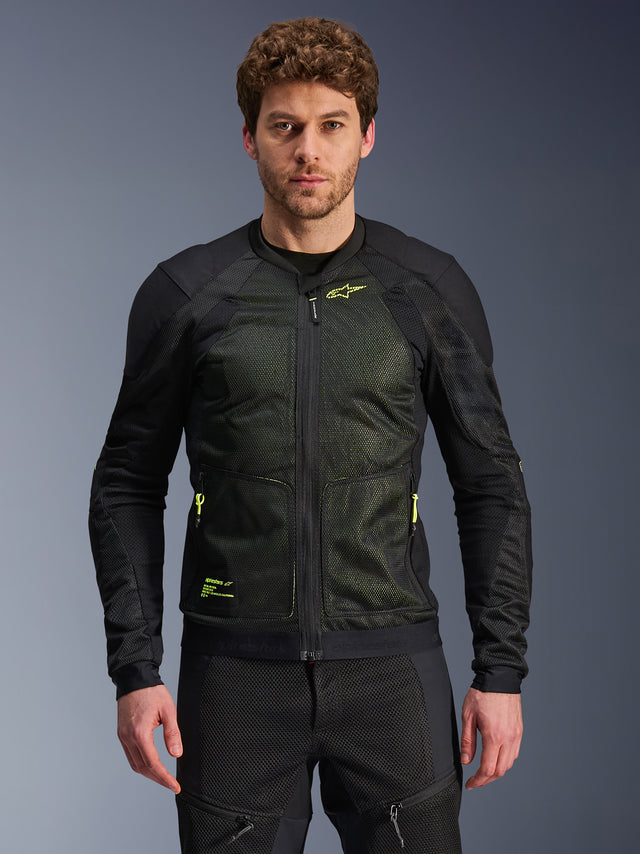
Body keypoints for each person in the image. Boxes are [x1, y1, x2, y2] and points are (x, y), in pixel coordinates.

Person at [89, 16, 532, 854]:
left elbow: (491, 484)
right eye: (284, 126)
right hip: (234, 679)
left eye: (332, 125)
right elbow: (126, 485)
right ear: (249, 137)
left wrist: (500, 670)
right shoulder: (186, 293)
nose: (308, 151)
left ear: (368, 135)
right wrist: (135, 671)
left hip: (392, 673)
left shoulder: (427, 289)